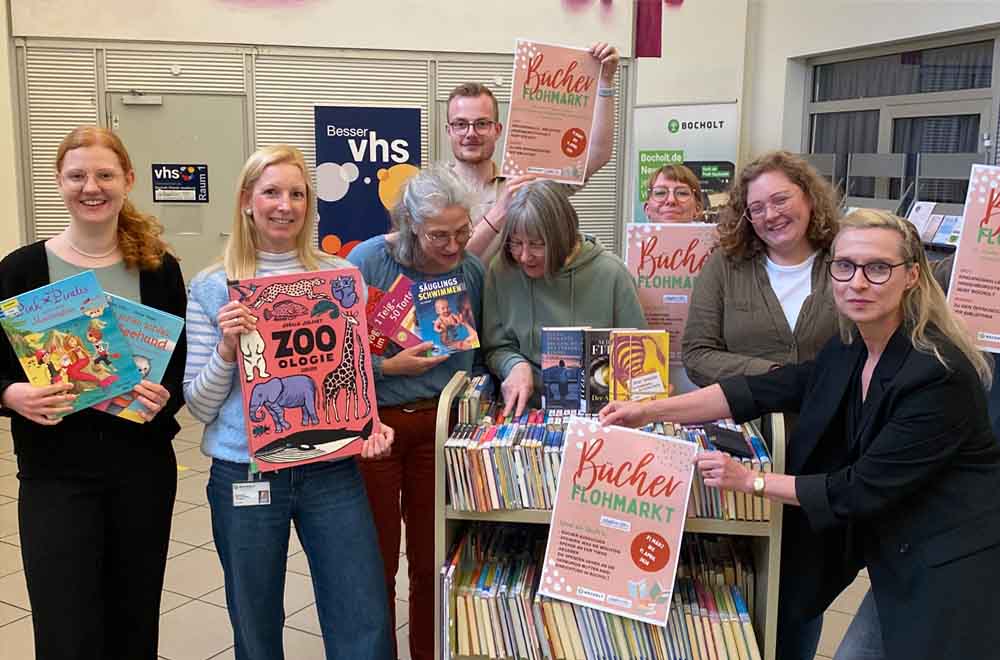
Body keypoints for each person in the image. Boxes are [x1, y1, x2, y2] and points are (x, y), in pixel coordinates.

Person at [602, 209, 1000, 660]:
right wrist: (648, 410)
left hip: (952, 560)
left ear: (911, 276)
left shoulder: (936, 372)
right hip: (895, 551)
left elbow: (859, 489)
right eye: (845, 266)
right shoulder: (853, 346)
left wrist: (749, 480)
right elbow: (762, 390)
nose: (857, 283)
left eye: (877, 268)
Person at [184, 145, 394, 660]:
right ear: (246, 201)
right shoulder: (212, 286)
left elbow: (353, 375)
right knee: (254, 619)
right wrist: (228, 349)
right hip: (245, 472)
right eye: (271, 192)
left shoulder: (341, 278)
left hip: (332, 469)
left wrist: (372, 425)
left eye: (297, 194)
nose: (285, 205)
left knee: (361, 611)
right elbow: (199, 407)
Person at [0, 126, 187, 660]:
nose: (91, 187)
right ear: (59, 181)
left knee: (134, 619)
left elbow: (179, 364)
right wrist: (11, 395)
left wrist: (165, 396)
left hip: (141, 470)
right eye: (77, 175)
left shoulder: (158, 269)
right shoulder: (20, 270)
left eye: (105, 175)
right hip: (54, 473)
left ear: (128, 180)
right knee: (65, 627)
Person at [348, 165, 484, 660]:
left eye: (462, 231)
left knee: (432, 561)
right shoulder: (368, 261)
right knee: (376, 560)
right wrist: (388, 366)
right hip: (377, 427)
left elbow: (481, 355)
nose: (454, 245)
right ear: (409, 226)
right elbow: (337, 355)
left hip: (441, 427)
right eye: (439, 236)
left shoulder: (471, 270)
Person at [483, 180, 646, 417]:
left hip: (601, 413)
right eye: (516, 243)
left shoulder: (612, 274)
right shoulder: (501, 270)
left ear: (563, 237)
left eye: (537, 244)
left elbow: (638, 355)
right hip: (525, 410)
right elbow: (495, 347)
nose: (524, 256)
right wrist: (514, 365)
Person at [447, 42, 621, 263]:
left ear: (497, 130)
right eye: (460, 124)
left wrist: (605, 82)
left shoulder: (524, 182)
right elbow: (446, 264)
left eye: (482, 124)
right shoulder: (431, 193)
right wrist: (500, 211)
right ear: (449, 130)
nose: (471, 133)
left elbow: (597, 155)